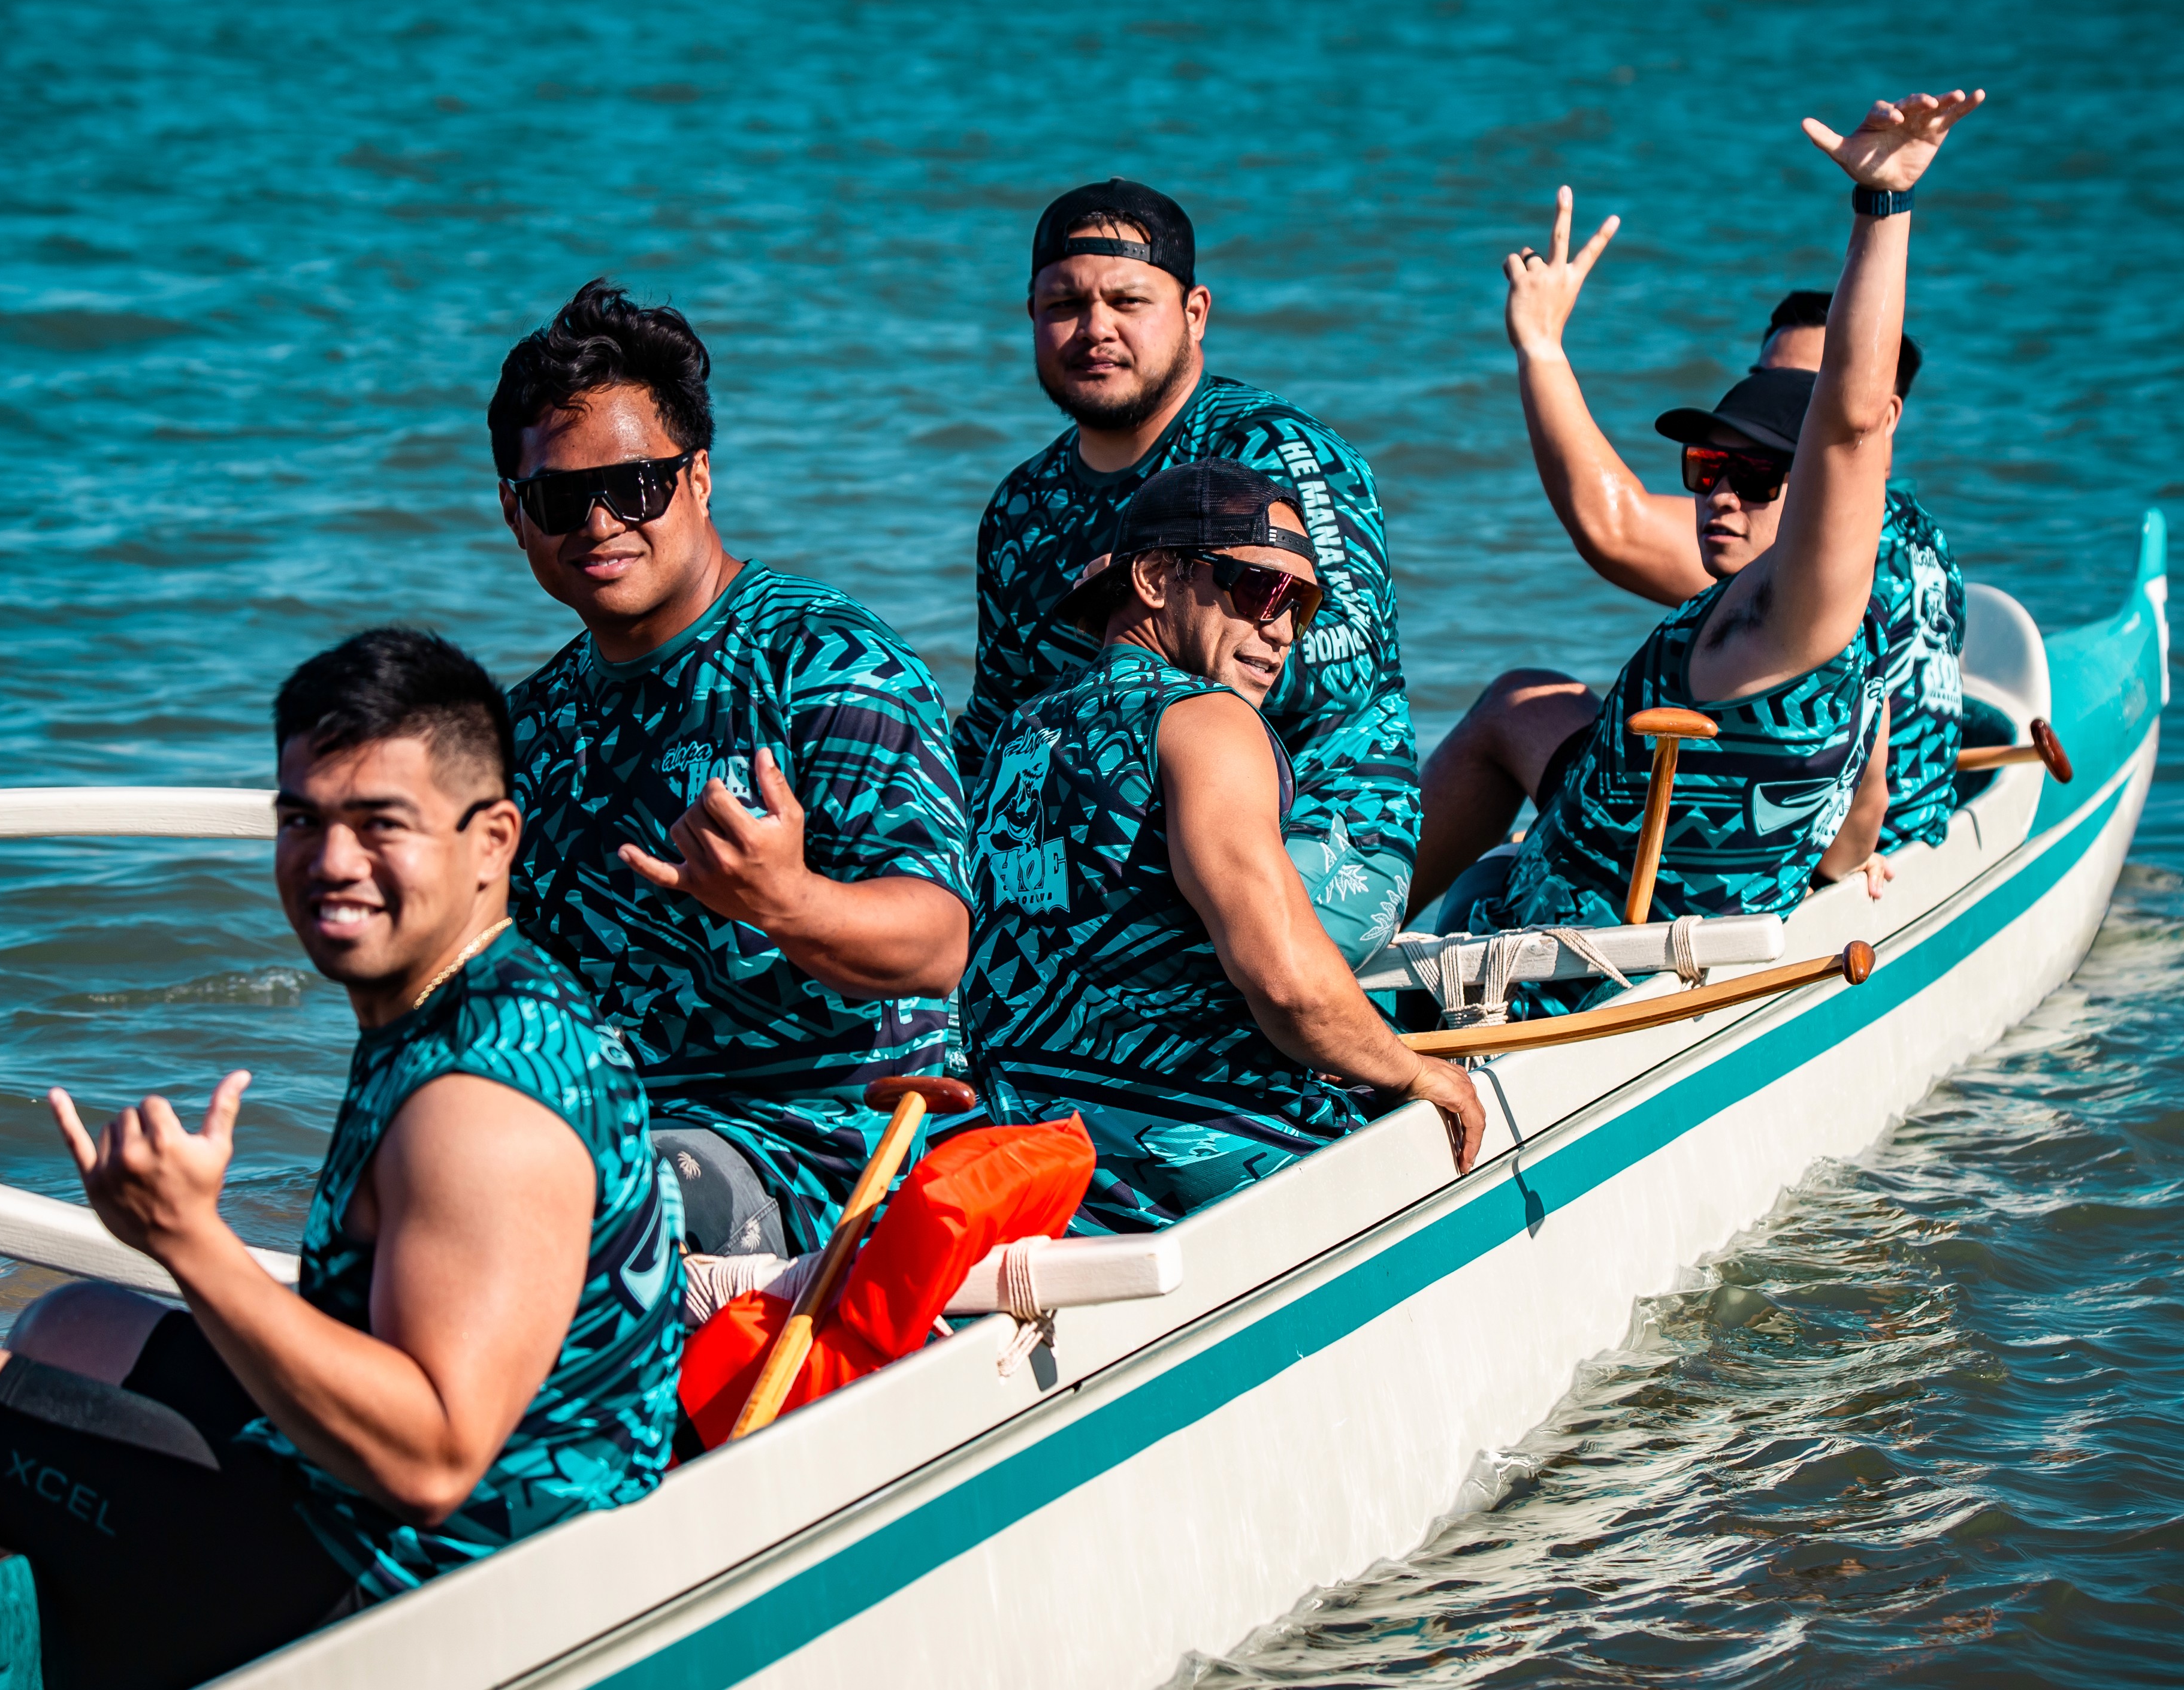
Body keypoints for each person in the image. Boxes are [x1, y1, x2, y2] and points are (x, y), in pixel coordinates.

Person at [0, 629, 684, 1690]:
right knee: (66, 1326)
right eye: (302, 819)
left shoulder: (478, 1104)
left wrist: (189, 1241)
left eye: (381, 824)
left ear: (492, 839)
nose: (332, 862)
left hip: (439, 1590)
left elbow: (433, 1459)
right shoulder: (468, 998)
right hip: (430, 1509)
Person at [1424, 88, 1985, 953]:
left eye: (1759, 468)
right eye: (1707, 466)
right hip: (1666, 841)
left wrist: (1883, 207)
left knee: (1513, 739)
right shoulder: (1806, 575)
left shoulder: (1806, 596)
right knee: (1518, 700)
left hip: (1625, 939)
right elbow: (1853, 810)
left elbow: (1839, 429)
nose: (1721, 492)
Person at [491, 280, 973, 1257]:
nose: (599, 522)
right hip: (607, 1141)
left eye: (635, 486)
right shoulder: (526, 728)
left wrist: (785, 900)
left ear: (699, 477)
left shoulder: (825, 661)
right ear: (514, 511)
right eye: (559, 497)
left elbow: (935, 944)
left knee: (609, 1195)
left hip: (828, 1148)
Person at [963, 460, 1484, 1233]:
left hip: (1024, 1147)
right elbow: (1288, 986)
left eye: (1302, 605)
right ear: (1153, 578)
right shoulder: (1206, 720)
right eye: (1260, 589)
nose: (1282, 630)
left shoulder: (1020, 731)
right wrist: (1416, 1074)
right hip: (1188, 1158)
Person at [953, 179, 1421, 965]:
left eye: (1127, 301)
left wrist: (1146, 633)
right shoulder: (1019, 506)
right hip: (1104, 831)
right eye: (1064, 305)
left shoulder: (1274, 453)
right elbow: (998, 711)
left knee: (1114, 955)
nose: (1094, 329)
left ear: (1194, 312)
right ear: (1030, 314)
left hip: (1321, 827)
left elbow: (1350, 655)